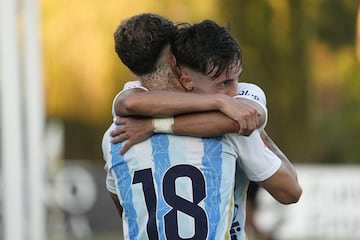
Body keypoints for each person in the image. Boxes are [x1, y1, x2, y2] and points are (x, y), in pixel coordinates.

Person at [103, 14, 302, 240]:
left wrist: (153, 125)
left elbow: (125, 209)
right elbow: (290, 191)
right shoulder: (228, 120)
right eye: (226, 83)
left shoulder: (114, 134)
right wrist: (226, 107)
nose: (232, 91)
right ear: (174, 58)